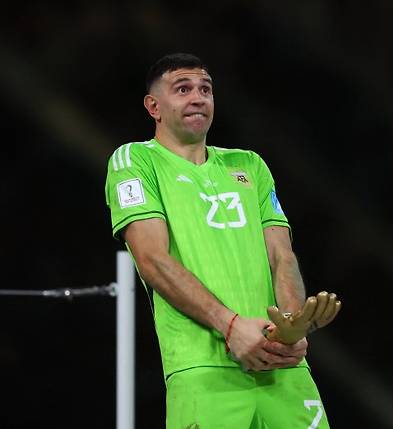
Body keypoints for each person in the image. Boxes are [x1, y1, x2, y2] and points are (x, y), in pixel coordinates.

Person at [105, 53, 334, 428]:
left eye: (205, 89)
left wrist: (291, 329)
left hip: (283, 368)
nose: (198, 97)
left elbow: (282, 255)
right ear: (154, 106)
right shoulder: (134, 161)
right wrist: (230, 325)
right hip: (203, 370)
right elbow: (152, 259)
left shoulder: (249, 165)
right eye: (183, 89)